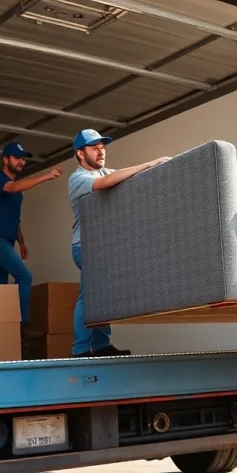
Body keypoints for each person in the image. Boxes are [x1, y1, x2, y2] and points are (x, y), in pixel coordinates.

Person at [68, 129, 171, 358]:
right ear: (80, 154)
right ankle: (81, 349)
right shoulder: (78, 179)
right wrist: (150, 162)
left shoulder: (104, 171)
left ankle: (101, 345)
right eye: (94, 147)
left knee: (101, 296)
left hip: (100, 247)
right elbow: (107, 183)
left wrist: (156, 167)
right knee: (90, 296)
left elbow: (124, 174)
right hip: (84, 247)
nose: (101, 151)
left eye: (102, 147)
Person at [0, 142, 62, 339]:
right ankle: (22, 325)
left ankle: (1, 330)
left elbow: (15, 220)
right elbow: (14, 187)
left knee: (1, 288)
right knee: (25, 277)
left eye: (23, 158)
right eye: (17, 157)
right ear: (6, 159)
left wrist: (22, 243)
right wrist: (46, 176)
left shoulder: (17, 193)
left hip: (5, 242)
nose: (21, 162)